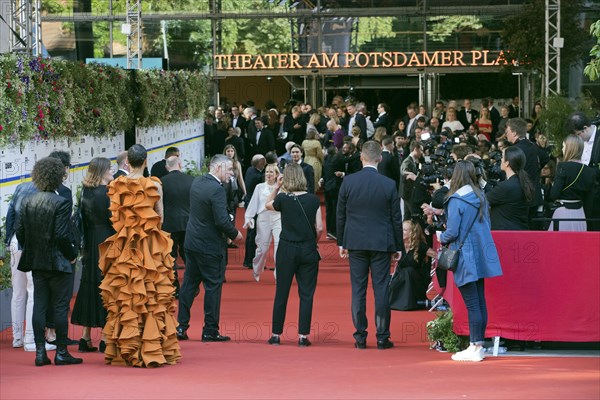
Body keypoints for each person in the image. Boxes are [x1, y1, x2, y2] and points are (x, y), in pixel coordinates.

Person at [99, 144, 181, 367]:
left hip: (124, 246)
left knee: (126, 295)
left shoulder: (115, 185)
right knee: (152, 295)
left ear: (127, 163)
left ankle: (126, 347)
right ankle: (153, 347)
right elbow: (160, 217)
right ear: (146, 161)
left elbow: (115, 217)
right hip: (150, 246)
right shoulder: (154, 184)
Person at [336, 141, 404, 350]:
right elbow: (396, 218)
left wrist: (341, 242)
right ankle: (382, 336)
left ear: (361, 157)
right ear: (380, 158)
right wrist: (399, 245)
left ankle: (360, 337)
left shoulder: (348, 181)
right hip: (381, 242)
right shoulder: (389, 184)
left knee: (358, 289)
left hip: (355, 241)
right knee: (381, 289)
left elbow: (340, 214)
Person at [15, 157, 81, 366]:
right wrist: (71, 254)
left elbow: (20, 231)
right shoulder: (60, 202)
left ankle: (40, 353)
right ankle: (61, 352)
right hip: (59, 262)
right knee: (60, 307)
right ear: (57, 177)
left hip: (37, 262)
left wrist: (31, 248)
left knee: (40, 305)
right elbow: (62, 235)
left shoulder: (27, 201)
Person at [177, 154, 244, 342]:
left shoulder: (197, 182)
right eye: (230, 169)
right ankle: (210, 330)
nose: (232, 174)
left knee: (189, 285)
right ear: (219, 167)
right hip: (209, 246)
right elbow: (221, 220)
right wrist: (235, 234)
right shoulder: (217, 189)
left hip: (192, 243)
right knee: (213, 287)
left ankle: (181, 327)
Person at [440, 161, 502, 362]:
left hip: (465, 256)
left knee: (473, 304)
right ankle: (478, 345)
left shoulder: (456, 200)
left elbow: (452, 232)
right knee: (480, 302)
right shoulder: (481, 197)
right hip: (481, 254)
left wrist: (441, 237)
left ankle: (475, 346)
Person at [265, 163, 323, 346]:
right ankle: (303, 336)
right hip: (307, 249)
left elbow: (267, 205)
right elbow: (320, 227)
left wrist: (276, 186)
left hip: (286, 248)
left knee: (281, 292)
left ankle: (276, 334)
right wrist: (313, 240)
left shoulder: (283, 198)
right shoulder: (313, 200)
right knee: (306, 294)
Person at [71, 158, 114, 353]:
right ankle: (105, 338)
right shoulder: (107, 193)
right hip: (105, 240)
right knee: (106, 286)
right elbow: (113, 220)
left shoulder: (85, 192)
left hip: (89, 242)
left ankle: (85, 337)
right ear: (102, 171)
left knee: (89, 286)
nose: (112, 171)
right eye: (110, 168)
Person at [160, 155, 195, 297]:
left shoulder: (162, 182)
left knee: (171, 257)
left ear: (167, 167)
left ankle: (175, 289)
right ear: (180, 164)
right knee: (189, 256)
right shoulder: (191, 180)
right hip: (188, 223)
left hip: (169, 225)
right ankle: (191, 286)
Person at [548, 135, 597, 231]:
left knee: (559, 244)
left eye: (563, 146)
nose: (562, 149)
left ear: (569, 149)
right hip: (580, 214)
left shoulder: (562, 167)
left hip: (563, 213)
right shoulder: (590, 171)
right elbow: (589, 200)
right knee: (578, 245)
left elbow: (554, 195)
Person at [244, 164, 282, 282]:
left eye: (271, 172)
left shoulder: (282, 188)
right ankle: (257, 268)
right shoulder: (259, 187)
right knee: (263, 249)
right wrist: (248, 217)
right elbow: (254, 203)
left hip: (278, 218)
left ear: (276, 174)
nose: (268, 174)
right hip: (263, 219)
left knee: (279, 247)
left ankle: (278, 274)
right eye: (266, 172)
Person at [390, 221, 436, 311]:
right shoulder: (399, 245)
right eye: (401, 229)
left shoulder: (420, 246)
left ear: (412, 233)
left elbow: (437, 255)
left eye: (404, 230)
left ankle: (408, 304)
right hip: (401, 278)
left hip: (417, 280)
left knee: (409, 271)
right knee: (404, 273)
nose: (401, 232)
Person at [486, 146, 534, 230]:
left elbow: (483, 200)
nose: (500, 160)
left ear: (507, 163)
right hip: (520, 231)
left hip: (505, 235)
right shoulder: (523, 182)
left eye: (502, 157)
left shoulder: (506, 186)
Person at [302, 128, 324, 192]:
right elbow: (319, 154)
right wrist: (323, 162)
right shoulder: (317, 143)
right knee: (314, 180)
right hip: (315, 161)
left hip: (306, 160)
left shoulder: (304, 142)